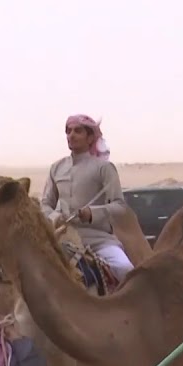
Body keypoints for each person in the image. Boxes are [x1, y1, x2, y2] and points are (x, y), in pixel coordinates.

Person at [40, 113, 133, 282]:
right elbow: (45, 204)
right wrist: (54, 217)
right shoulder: (56, 168)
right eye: (68, 131)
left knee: (125, 269)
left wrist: (92, 213)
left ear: (90, 138)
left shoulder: (104, 168)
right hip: (62, 238)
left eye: (77, 131)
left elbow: (120, 206)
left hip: (97, 239)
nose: (71, 135)